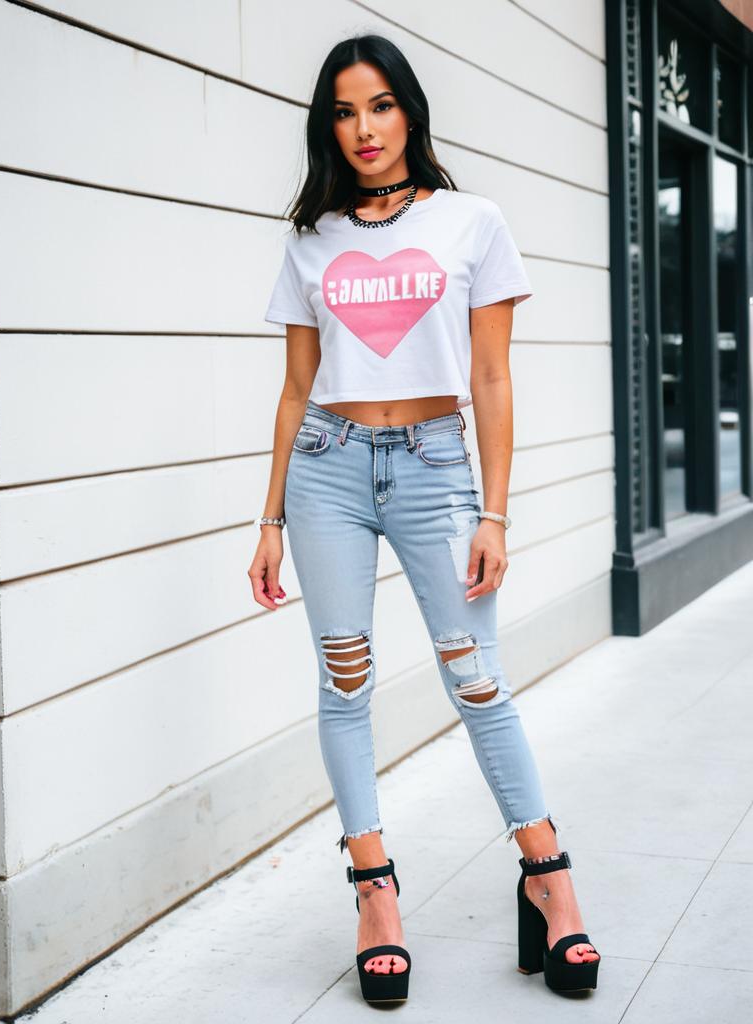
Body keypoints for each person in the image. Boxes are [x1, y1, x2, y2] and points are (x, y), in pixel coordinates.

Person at [249, 33, 600, 1004]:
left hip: (440, 471)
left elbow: (490, 376)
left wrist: (495, 511)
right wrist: (270, 516)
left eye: (380, 106)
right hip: (327, 467)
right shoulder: (311, 238)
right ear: (330, 127)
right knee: (345, 679)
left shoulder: (471, 223)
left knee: (475, 675)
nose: (363, 129)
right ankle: (374, 892)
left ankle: (549, 876)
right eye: (344, 112)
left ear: (410, 110)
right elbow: (293, 389)